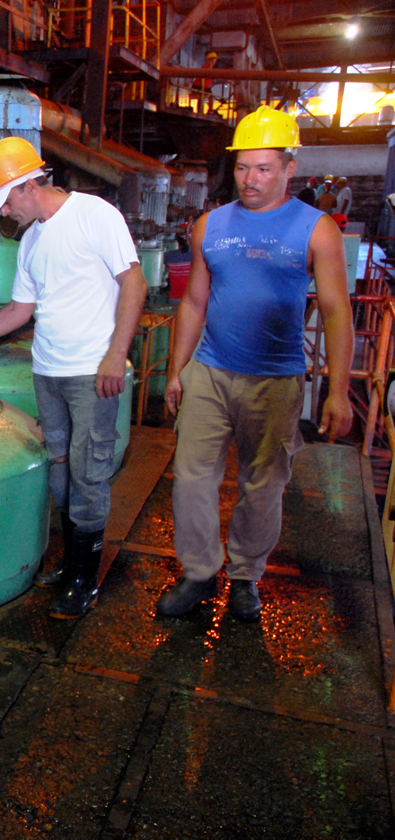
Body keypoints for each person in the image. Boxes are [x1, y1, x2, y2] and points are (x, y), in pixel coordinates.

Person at [0, 137, 147, 620]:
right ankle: (70, 561)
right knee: (60, 467)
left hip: (91, 371)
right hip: (47, 371)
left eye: (7, 200)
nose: (5, 211)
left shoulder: (95, 215)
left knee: (89, 472)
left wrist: (117, 355)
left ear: (29, 184)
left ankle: (84, 579)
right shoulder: (31, 239)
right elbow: (20, 310)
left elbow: (133, 282)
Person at [158, 105, 354, 622]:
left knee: (262, 483)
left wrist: (334, 391)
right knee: (191, 476)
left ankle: (245, 576)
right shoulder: (211, 225)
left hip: (276, 379)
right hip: (210, 370)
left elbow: (336, 311)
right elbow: (195, 302)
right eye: (243, 167)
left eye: (264, 168)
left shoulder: (318, 230)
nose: (251, 178)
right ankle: (199, 572)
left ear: (290, 168)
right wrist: (176, 371)